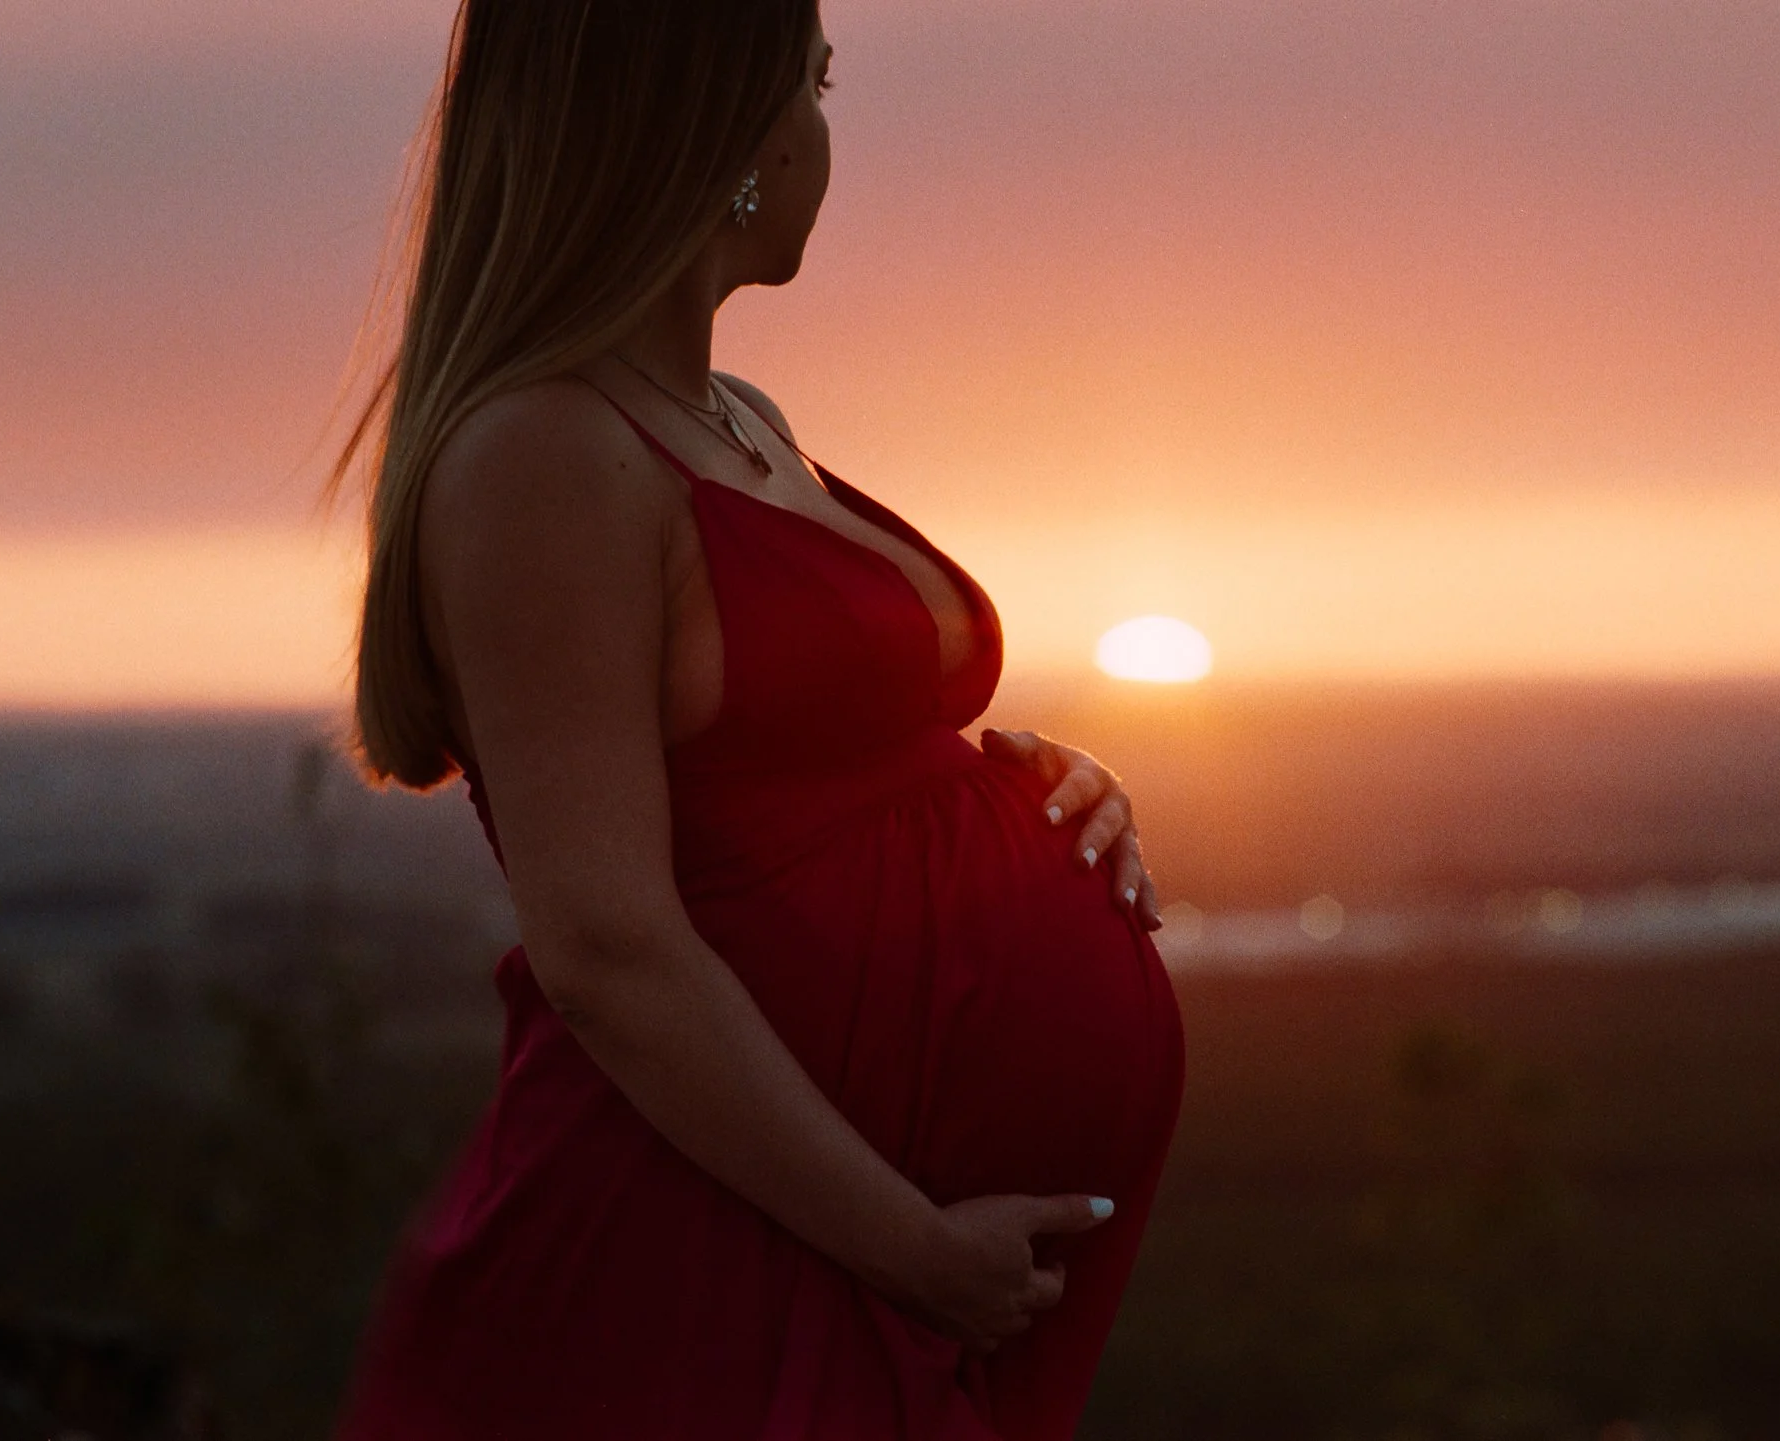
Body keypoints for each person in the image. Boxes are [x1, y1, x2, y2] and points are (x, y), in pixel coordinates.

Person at [327, 2, 1185, 1435]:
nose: (826, 133)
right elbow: (606, 945)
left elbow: (821, 745)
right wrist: (911, 1251)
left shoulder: (737, 417)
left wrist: (1038, 796)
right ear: (725, 130)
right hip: (714, 1255)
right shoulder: (545, 451)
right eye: (816, 84)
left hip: (863, 1251)